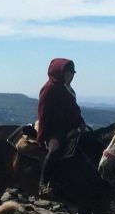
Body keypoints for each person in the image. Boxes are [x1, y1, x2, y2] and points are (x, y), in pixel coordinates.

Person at [37, 58, 87, 199]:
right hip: (54, 129)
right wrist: (43, 135)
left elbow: (74, 110)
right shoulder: (49, 88)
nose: (70, 76)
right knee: (56, 149)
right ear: (58, 72)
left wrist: (80, 122)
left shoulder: (67, 88)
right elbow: (43, 113)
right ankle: (43, 183)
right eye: (67, 73)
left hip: (71, 127)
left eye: (71, 74)